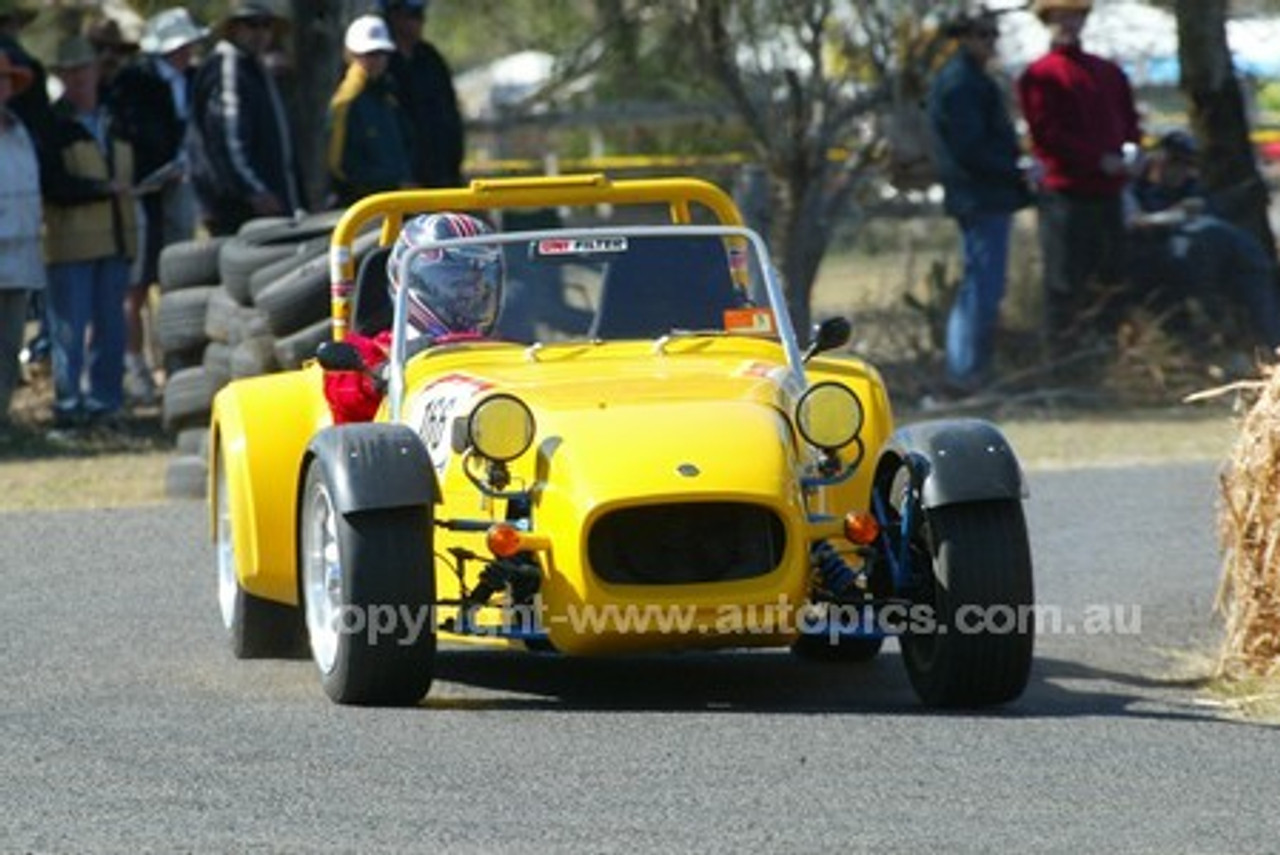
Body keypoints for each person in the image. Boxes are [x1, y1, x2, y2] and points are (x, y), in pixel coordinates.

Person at [1016, 0, 1142, 352]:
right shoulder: (1039, 74)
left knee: (1111, 276)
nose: (1068, 23)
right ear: (1047, 21)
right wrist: (1096, 160)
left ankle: (1110, 354)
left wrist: (1130, 152)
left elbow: (1129, 121)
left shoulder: (1107, 72)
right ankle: (1064, 358)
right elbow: (1047, 133)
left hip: (1108, 191)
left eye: (1075, 15)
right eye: (1060, 16)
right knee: (1064, 280)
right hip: (1065, 194)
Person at [106, 8, 208, 404]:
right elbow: (130, 136)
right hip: (140, 193)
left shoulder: (193, 80)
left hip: (180, 190)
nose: (186, 53)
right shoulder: (135, 83)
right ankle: (136, 366)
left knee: (176, 278)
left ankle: (173, 364)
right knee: (137, 281)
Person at [927, 9, 1030, 395]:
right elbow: (969, 149)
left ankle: (967, 370)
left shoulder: (970, 79)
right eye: (983, 35)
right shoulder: (960, 83)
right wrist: (1014, 169)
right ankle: (965, 372)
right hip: (979, 196)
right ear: (965, 37)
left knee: (981, 284)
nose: (991, 42)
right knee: (981, 288)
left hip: (984, 194)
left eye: (994, 34)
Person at [40, 35, 137, 429]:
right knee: (70, 331)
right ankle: (68, 405)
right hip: (69, 245)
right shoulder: (52, 124)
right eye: (70, 72)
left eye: (84, 69)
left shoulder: (115, 120)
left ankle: (105, 403)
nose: (79, 78)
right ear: (61, 77)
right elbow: (53, 184)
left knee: (111, 329)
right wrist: (100, 190)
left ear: (97, 72)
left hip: (115, 239)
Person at [323, 212, 503, 423]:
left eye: (480, 278)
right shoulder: (370, 352)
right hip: (389, 450)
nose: (473, 291)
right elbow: (344, 393)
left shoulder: (501, 349)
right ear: (410, 278)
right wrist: (381, 375)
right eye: (455, 278)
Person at [1125, 130, 1280, 351]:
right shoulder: (1135, 185)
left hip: (1223, 256)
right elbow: (1133, 223)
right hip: (1160, 257)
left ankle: (1271, 343)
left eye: (1189, 164)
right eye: (1176, 162)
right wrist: (1172, 215)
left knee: (1245, 254)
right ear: (1158, 158)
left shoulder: (1190, 187)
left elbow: (1212, 209)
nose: (1183, 171)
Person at [189, 1, 305, 236]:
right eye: (251, 25)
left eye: (266, 25)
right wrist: (254, 190)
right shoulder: (227, 67)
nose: (260, 33)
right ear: (234, 29)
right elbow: (226, 138)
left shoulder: (255, 68)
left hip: (272, 203)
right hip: (243, 209)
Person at [326, 15, 414, 207]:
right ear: (351, 55)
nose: (376, 60)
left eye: (381, 53)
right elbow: (339, 166)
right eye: (368, 53)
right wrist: (391, 182)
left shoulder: (388, 97)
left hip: (393, 203)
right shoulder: (346, 101)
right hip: (360, 207)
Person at [0, 48, 43, 427]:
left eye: (4, 80)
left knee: (10, 346)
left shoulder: (19, 131)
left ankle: (3, 417)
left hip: (21, 256)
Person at [380, 0, 464, 188]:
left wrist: (453, 167)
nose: (419, 21)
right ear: (394, 16)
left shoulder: (430, 59)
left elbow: (450, 115)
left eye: (420, 14)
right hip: (400, 184)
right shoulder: (381, 65)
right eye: (413, 14)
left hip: (440, 175)